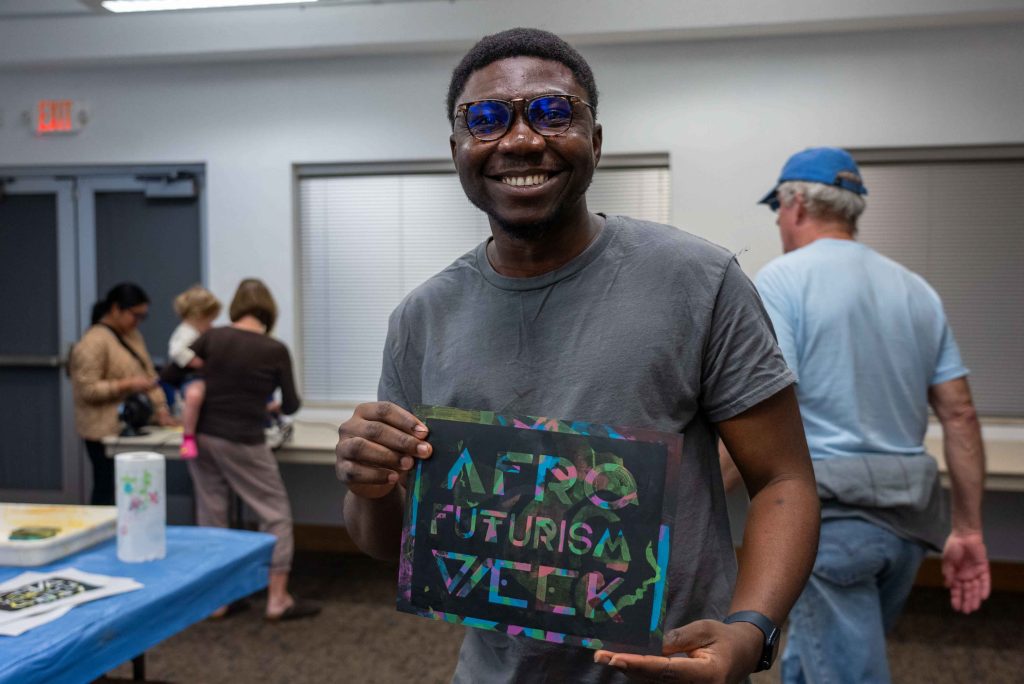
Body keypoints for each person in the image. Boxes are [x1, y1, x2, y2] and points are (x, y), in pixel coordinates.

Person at [336, 28, 820, 683]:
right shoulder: (421, 319)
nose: (520, 139)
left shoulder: (699, 282)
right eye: (486, 119)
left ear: (595, 140)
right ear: (457, 150)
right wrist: (367, 487)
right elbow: (392, 541)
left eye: (552, 112)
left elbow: (784, 481)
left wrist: (750, 631)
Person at [748, 146, 990, 683]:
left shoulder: (782, 279)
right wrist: (969, 529)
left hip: (831, 522)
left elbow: (762, 404)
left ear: (796, 205)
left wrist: (687, 497)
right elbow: (960, 416)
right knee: (818, 655)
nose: (780, 222)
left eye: (778, 210)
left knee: (844, 670)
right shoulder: (916, 290)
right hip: (908, 526)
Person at [187, 278, 318, 621]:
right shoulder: (273, 349)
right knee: (274, 514)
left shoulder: (212, 337)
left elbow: (173, 371)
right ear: (269, 312)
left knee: (212, 515)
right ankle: (277, 599)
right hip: (243, 439)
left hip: (203, 437)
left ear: (235, 308)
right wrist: (268, 404)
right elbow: (291, 404)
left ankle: (217, 600)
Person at [70, 282, 176, 505]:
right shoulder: (94, 341)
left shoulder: (132, 336)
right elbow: (87, 389)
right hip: (102, 431)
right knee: (107, 487)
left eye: (143, 317)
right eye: (135, 315)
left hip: (131, 428)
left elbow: (149, 375)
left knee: (134, 489)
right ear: (116, 309)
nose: (138, 322)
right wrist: (125, 385)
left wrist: (161, 409)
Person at [166, 285, 221, 459]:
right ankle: (188, 438)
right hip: (190, 377)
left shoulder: (198, 331)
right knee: (194, 396)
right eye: (209, 320)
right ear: (198, 316)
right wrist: (197, 362)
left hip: (202, 377)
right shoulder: (185, 332)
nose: (211, 325)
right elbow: (176, 351)